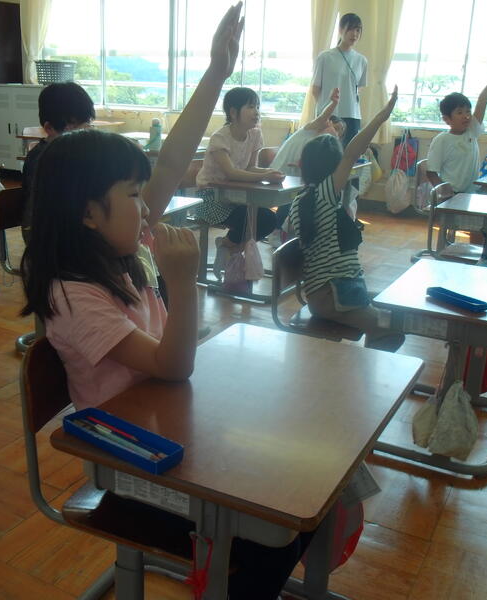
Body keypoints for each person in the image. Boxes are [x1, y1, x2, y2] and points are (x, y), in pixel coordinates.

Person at [21, 5, 312, 597]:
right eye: (133, 194)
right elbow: (173, 365)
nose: (147, 204)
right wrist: (185, 281)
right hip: (133, 463)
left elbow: (175, 159)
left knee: (301, 483)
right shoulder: (73, 293)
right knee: (279, 518)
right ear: (89, 214)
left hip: (168, 421)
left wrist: (217, 72)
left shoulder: (122, 243)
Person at [289, 87, 405, 352]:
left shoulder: (305, 199)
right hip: (332, 296)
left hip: (336, 291)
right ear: (334, 168)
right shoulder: (325, 195)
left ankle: (363, 363)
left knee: (393, 311)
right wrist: (381, 116)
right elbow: (353, 152)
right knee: (392, 325)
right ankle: (360, 370)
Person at [194, 86, 286, 278]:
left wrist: (271, 172)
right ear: (233, 112)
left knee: (268, 219)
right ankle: (229, 250)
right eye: (251, 107)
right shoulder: (220, 137)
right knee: (248, 219)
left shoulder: (255, 134)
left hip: (237, 197)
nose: (256, 112)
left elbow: (251, 168)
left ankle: (227, 246)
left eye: (257, 106)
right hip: (211, 198)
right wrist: (264, 176)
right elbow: (231, 173)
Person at [21, 81, 96, 242]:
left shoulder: (79, 153)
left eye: (87, 121)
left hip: (71, 229)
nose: (85, 129)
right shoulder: (42, 158)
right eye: (74, 124)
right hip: (46, 237)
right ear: (49, 128)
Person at [426, 52, 487, 194]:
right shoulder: (442, 140)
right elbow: (431, 172)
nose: (466, 116)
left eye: (468, 111)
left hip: (469, 193)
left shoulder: (471, 131)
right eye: (459, 112)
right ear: (447, 119)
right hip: (451, 196)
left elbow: (483, 100)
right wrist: (445, 193)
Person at [310, 13, 367, 148]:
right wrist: (324, 111)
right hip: (329, 115)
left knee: (349, 154)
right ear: (341, 30)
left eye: (358, 30)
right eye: (350, 29)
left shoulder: (362, 61)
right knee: (325, 153)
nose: (354, 34)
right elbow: (315, 89)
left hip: (352, 115)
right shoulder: (325, 57)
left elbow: (358, 88)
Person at [271, 88, 344, 178]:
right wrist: (334, 103)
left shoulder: (324, 147)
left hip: (298, 179)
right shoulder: (308, 131)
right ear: (328, 122)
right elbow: (322, 117)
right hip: (279, 175)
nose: (336, 133)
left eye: (339, 133)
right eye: (335, 128)